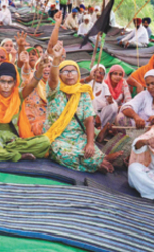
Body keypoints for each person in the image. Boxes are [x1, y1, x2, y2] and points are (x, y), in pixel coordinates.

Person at [0, 52, 52, 163]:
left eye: (9, 82)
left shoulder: (19, 95)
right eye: (2, 81)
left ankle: (0, 153)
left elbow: (32, 84)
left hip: (13, 142)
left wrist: (40, 68)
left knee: (44, 142)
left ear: (15, 82)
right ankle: (14, 156)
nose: (6, 86)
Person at [44, 45, 116, 173]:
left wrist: (89, 143)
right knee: (61, 153)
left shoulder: (83, 92)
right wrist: (55, 59)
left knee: (88, 150)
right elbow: (52, 78)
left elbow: (89, 120)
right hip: (58, 137)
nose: (70, 74)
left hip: (78, 136)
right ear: (59, 74)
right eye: (65, 71)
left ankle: (98, 159)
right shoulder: (54, 91)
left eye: (73, 71)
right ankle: (96, 164)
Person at [20, 51, 50, 136]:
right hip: (32, 122)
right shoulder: (32, 79)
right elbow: (25, 74)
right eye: (43, 66)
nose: (47, 69)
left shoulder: (57, 85)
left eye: (49, 66)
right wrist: (26, 63)